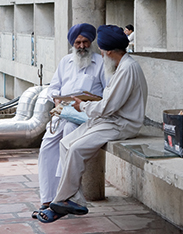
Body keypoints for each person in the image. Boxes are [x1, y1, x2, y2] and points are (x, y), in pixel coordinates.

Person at [37, 25, 148, 223]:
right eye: (77, 42)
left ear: (108, 52)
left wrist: (83, 106)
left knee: (76, 149)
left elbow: (108, 106)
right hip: (106, 119)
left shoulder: (126, 69)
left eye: (103, 51)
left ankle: (63, 200)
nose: (102, 54)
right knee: (65, 143)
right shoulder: (119, 66)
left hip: (121, 124)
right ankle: (72, 199)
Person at [33, 23, 107, 219]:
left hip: (84, 116)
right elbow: (54, 87)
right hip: (62, 112)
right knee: (47, 146)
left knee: (67, 140)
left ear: (91, 42)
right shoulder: (65, 61)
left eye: (85, 42)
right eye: (77, 42)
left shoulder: (101, 63)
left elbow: (107, 94)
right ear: (72, 44)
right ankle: (47, 199)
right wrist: (57, 99)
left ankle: (65, 197)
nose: (81, 46)